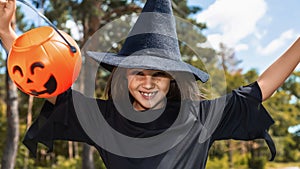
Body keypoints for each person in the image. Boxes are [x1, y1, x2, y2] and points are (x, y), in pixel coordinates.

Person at [1, 0, 299, 169]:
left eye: (158, 74)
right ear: (123, 74)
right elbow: (39, 75)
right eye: (137, 72)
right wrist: (7, 31)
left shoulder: (200, 118)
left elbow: (261, 86)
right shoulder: (104, 120)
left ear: (172, 79)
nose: (147, 83)